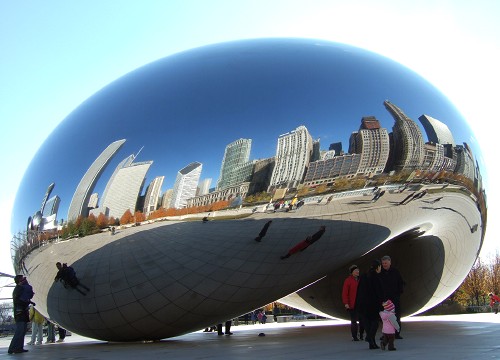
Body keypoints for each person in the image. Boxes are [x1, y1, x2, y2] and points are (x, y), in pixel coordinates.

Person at [355, 260, 385, 349]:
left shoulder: (364, 276)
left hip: (363, 304)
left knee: (367, 323)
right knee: (375, 322)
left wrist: (358, 303)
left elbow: (359, 290)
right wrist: (382, 302)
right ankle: (369, 338)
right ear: (378, 267)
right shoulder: (376, 277)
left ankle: (372, 343)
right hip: (373, 304)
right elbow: (379, 292)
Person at [379, 255, 405, 339]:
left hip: (394, 299)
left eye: (386, 263)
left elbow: (401, 283)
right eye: (383, 263)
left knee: (396, 316)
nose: (384, 265)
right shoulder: (380, 273)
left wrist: (398, 293)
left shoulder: (395, 272)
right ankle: (385, 335)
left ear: (390, 262)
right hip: (384, 300)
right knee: (385, 318)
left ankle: (397, 333)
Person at [8, 275, 32, 354]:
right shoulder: (18, 289)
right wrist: (27, 302)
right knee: (19, 331)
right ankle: (13, 348)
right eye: (22, 278)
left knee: (22, 331)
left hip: (22, 313)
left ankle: (19, 347)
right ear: (19, 280)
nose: (24, 279)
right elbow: (19, 300)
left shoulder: (20, 288)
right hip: (20, 313)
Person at [342, 264, 364, 341]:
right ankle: (354, 336)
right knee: (354, 320)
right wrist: (346, 303)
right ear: (352, 272)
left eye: (358, 270)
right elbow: (345, 293)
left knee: (362, 320)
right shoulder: (348, 281)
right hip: (352, 304)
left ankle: (361, 334)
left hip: (360, 303)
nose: (357, 272)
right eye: (355, 271)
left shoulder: (360, 280)